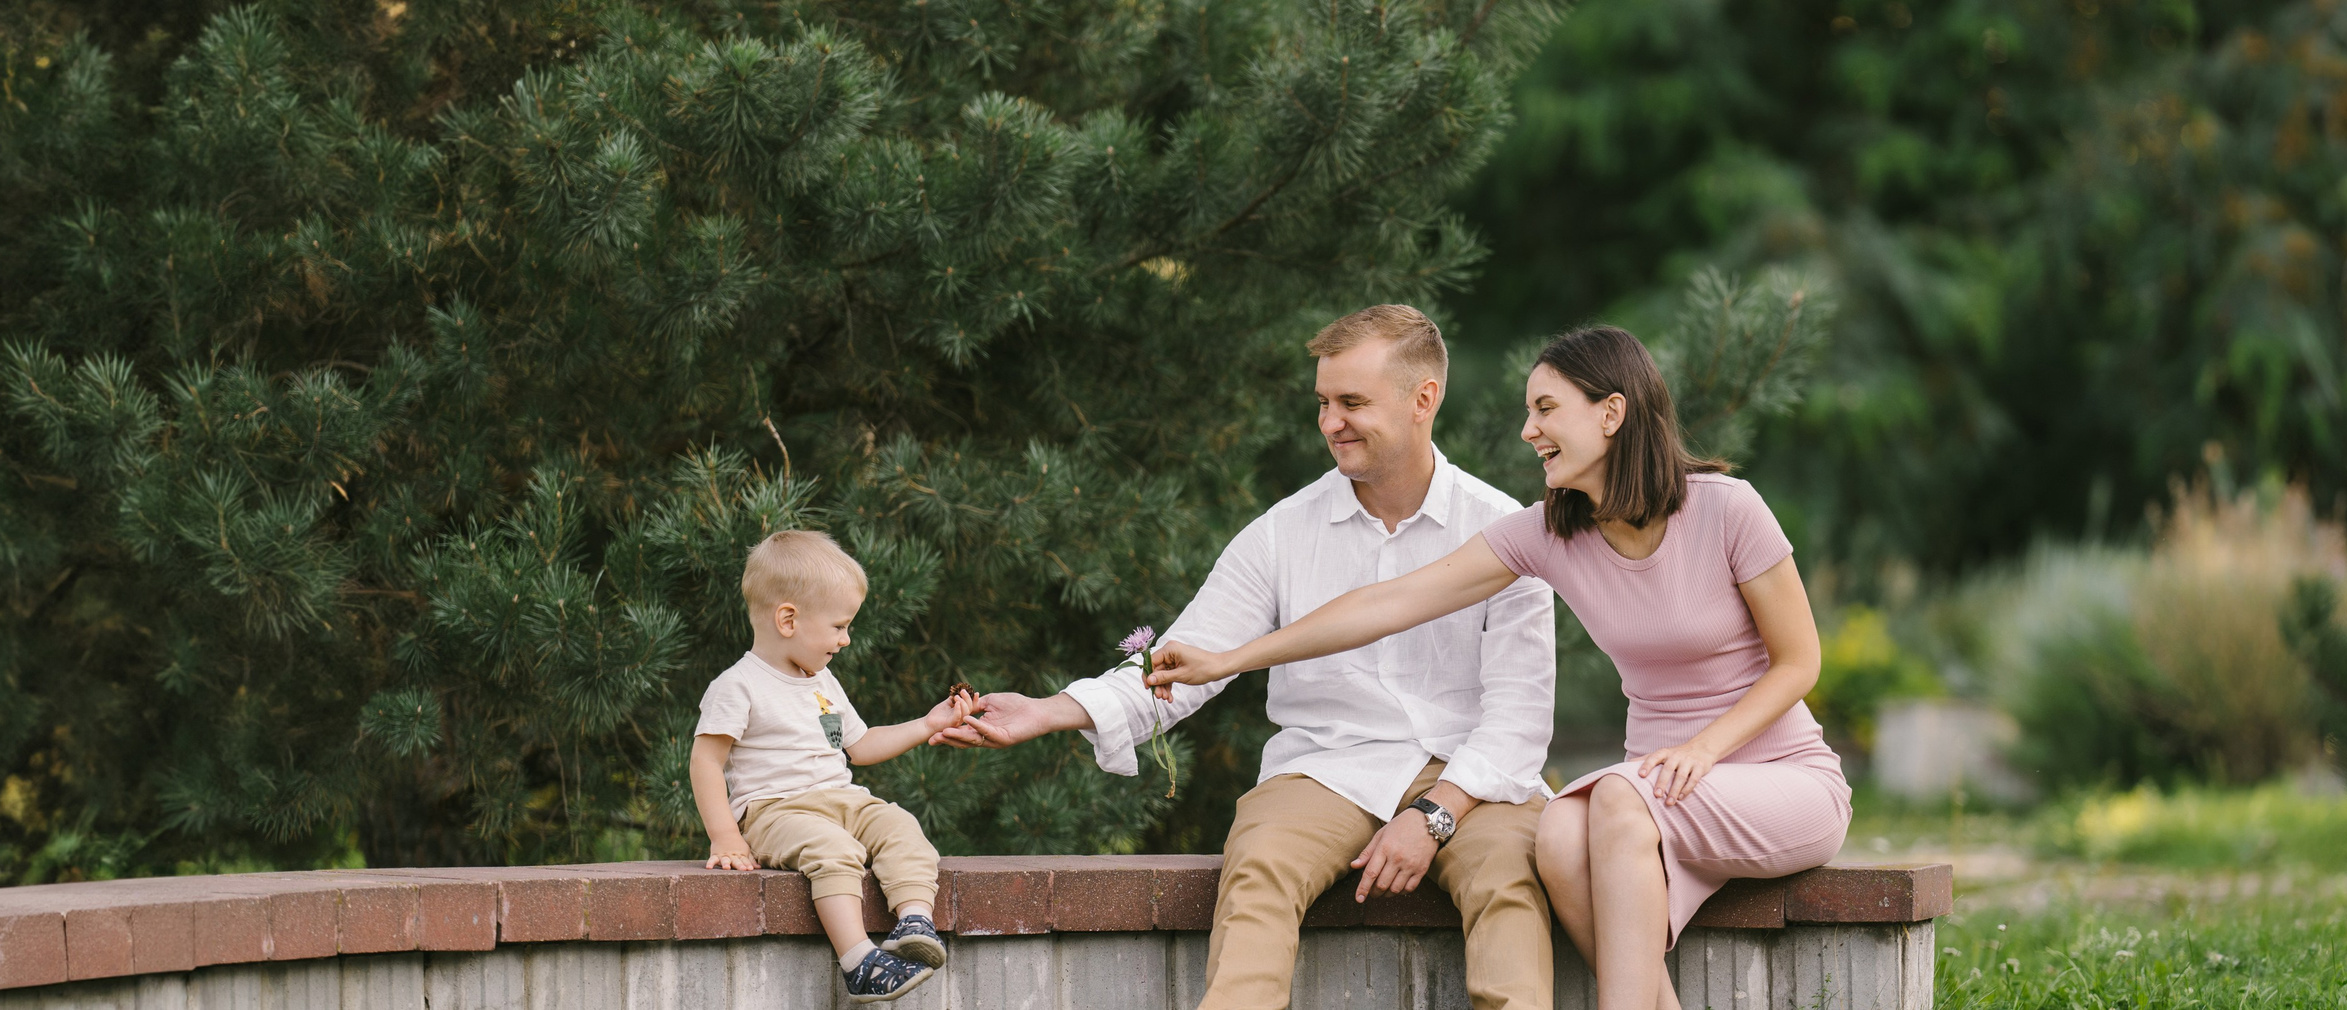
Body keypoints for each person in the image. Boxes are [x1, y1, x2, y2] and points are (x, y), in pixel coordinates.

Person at [1148, 326, 1850, 1010]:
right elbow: (1386, 603)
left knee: (1604, 801)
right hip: (1654, 792)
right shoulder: (1548, 534)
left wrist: (1703, 750)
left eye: (1545, 409)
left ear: (1611, 413)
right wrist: (1236, 657)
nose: (1527, 429)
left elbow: (1799, 662)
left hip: (1771, 776)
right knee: (1558, 837)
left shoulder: (1728, 509)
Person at [933, 305, 1562, 1010]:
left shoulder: (1506, 529)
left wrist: (1435, 813)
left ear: (1425, 399)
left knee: (1510, 877)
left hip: (1471, 776)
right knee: (1258, 864)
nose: (1330, 423)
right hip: (1325, 765)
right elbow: (1192, 658)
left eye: (1353, 403)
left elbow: (1520, 718)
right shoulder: (1281, 532)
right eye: (1323, 403)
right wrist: (1052, 711)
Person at [690, 530, 979, 1003]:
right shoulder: (738, 686)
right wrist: (725, 835)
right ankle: (858, 961)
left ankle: (913, 920)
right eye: (840, 626)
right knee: (834, 850)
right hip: (775, 811)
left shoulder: (823, 681)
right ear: (788, 619)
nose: (846, 640)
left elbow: (860, 746)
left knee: (900, 824)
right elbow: (705, 761)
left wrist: (929, 723)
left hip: (842, 800)